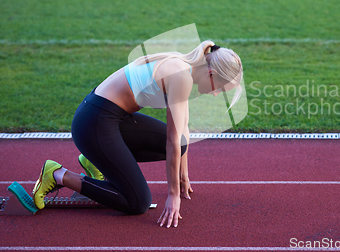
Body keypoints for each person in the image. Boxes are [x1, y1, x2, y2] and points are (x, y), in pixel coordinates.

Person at [32, 40, 243, 229]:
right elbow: (172, 139)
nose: (216, 94)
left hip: (111, 119)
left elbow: (182, 130)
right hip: (93, 123)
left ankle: (95, 162)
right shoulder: (181, 76)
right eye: (221, 89)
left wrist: (183, 175)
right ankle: (58, 174)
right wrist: (173, 195)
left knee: (183, 144)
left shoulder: (185, 69)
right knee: (136, 202)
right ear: (211, 74)